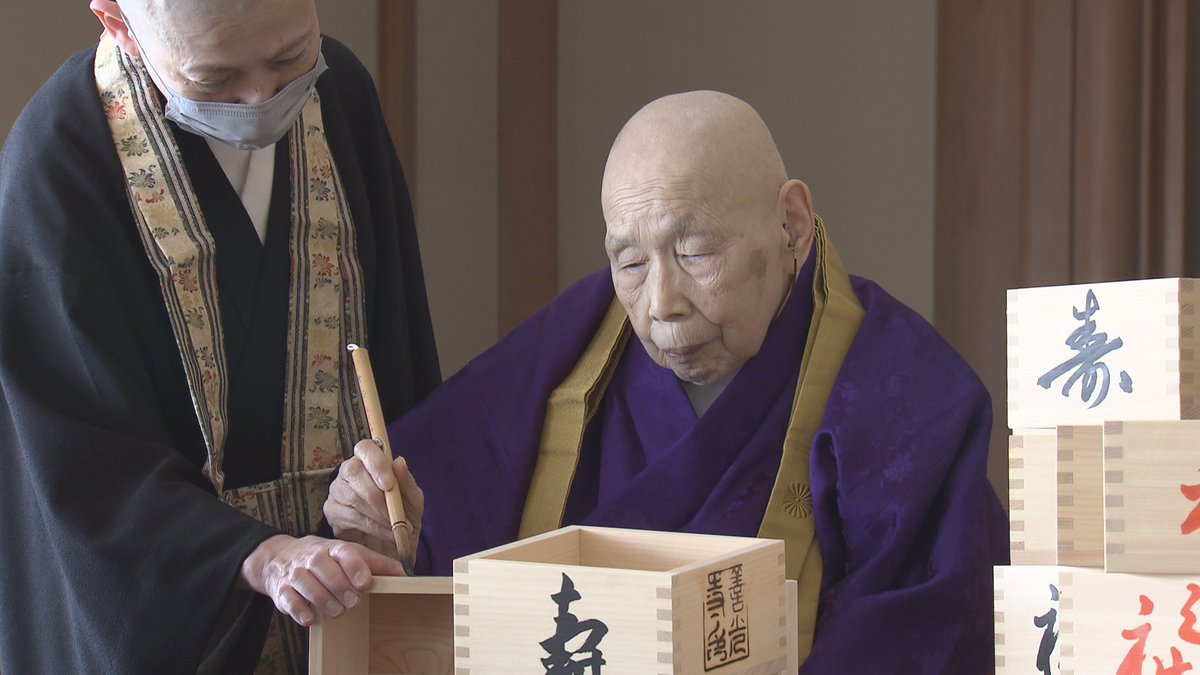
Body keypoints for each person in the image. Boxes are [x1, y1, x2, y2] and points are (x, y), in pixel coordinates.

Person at [326, 90, 1008, 673]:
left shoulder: (900, 395)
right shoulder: (569, 353)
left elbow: (933, 624)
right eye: (630, 261)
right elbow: (447, 531)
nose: (661, 302)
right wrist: (399, 544)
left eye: (695, 250)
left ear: (791, 224)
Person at [0, 0, 440, 673]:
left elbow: (397, 353)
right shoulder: (58, 158)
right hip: (179, 617)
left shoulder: (339, 94)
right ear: (116, 21)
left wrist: (382, 499)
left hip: (347, 600)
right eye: (213, 79)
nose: (262, 96)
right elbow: (78, 461)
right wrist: (258, 556)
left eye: (289, 57)